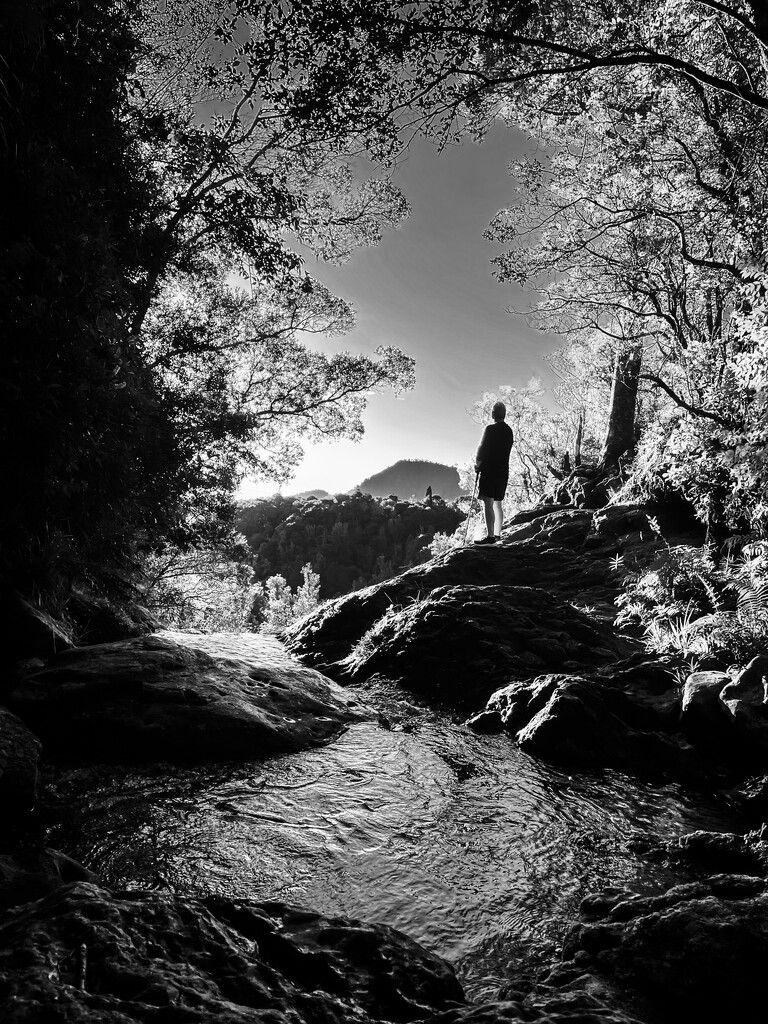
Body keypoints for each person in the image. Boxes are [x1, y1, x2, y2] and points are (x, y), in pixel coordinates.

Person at [473, 401, 514, 545]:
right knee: (498, 503)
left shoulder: (489, 429)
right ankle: (497, 534)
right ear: (504, 414)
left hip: (489, 470)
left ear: (493, 414)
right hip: (503, 471)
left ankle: (490, 537)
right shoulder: (509, 431)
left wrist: (477, 465)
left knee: (488, 502)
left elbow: (481, 448)